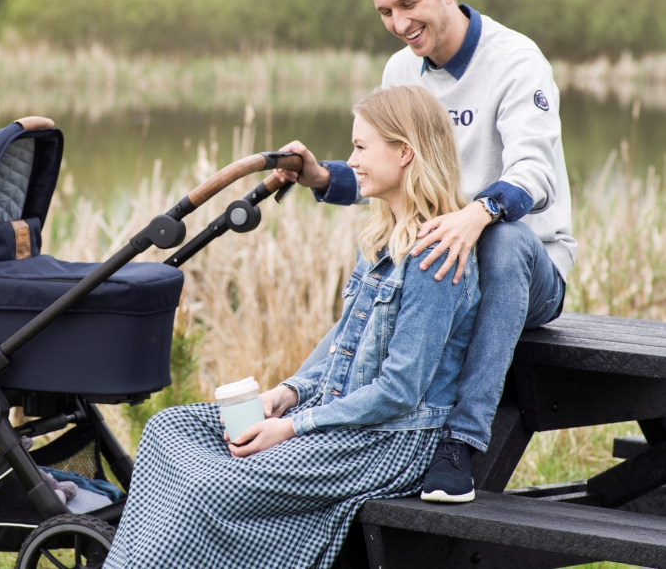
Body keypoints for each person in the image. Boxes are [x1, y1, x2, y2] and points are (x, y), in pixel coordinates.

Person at [103, 85, 479, 569]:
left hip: (385, 442)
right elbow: (348, 350)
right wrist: (287, 394)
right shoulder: (384, 236)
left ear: (405, 152)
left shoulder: (434, 256)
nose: (351, 160)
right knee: (167, 429)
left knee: (208, 488)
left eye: (361, 147)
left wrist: (291, 427)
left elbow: (400, 391)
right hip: (338, 417)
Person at [275, 0, 574, 503]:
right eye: (385, 11)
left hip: (526, 270)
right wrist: (319, 176)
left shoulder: (515, 60)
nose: (399, 23)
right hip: (442, 260)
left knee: (503, 239)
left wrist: (475, 215)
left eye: (408, 4)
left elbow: (536, 174)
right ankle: (352, 417)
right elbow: (388, 172)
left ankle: (460, 441)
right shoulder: (400, 69)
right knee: (386, 235)